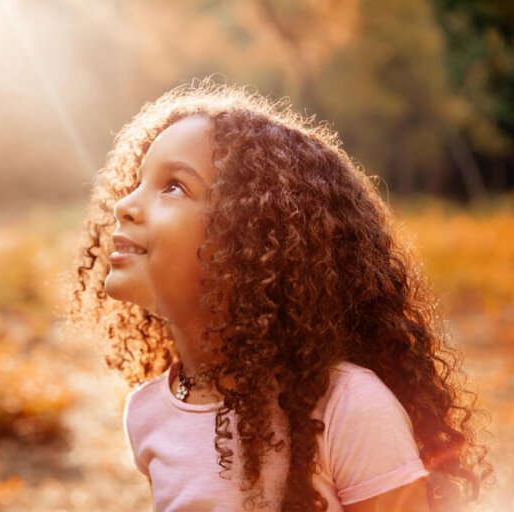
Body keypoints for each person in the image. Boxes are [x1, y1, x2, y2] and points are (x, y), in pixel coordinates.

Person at [68, 78, 491, 511]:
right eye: (136, 183)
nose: (125, 205)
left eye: (174, 186)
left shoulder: (349, 408)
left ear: (251, 241)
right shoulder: (147, 413)